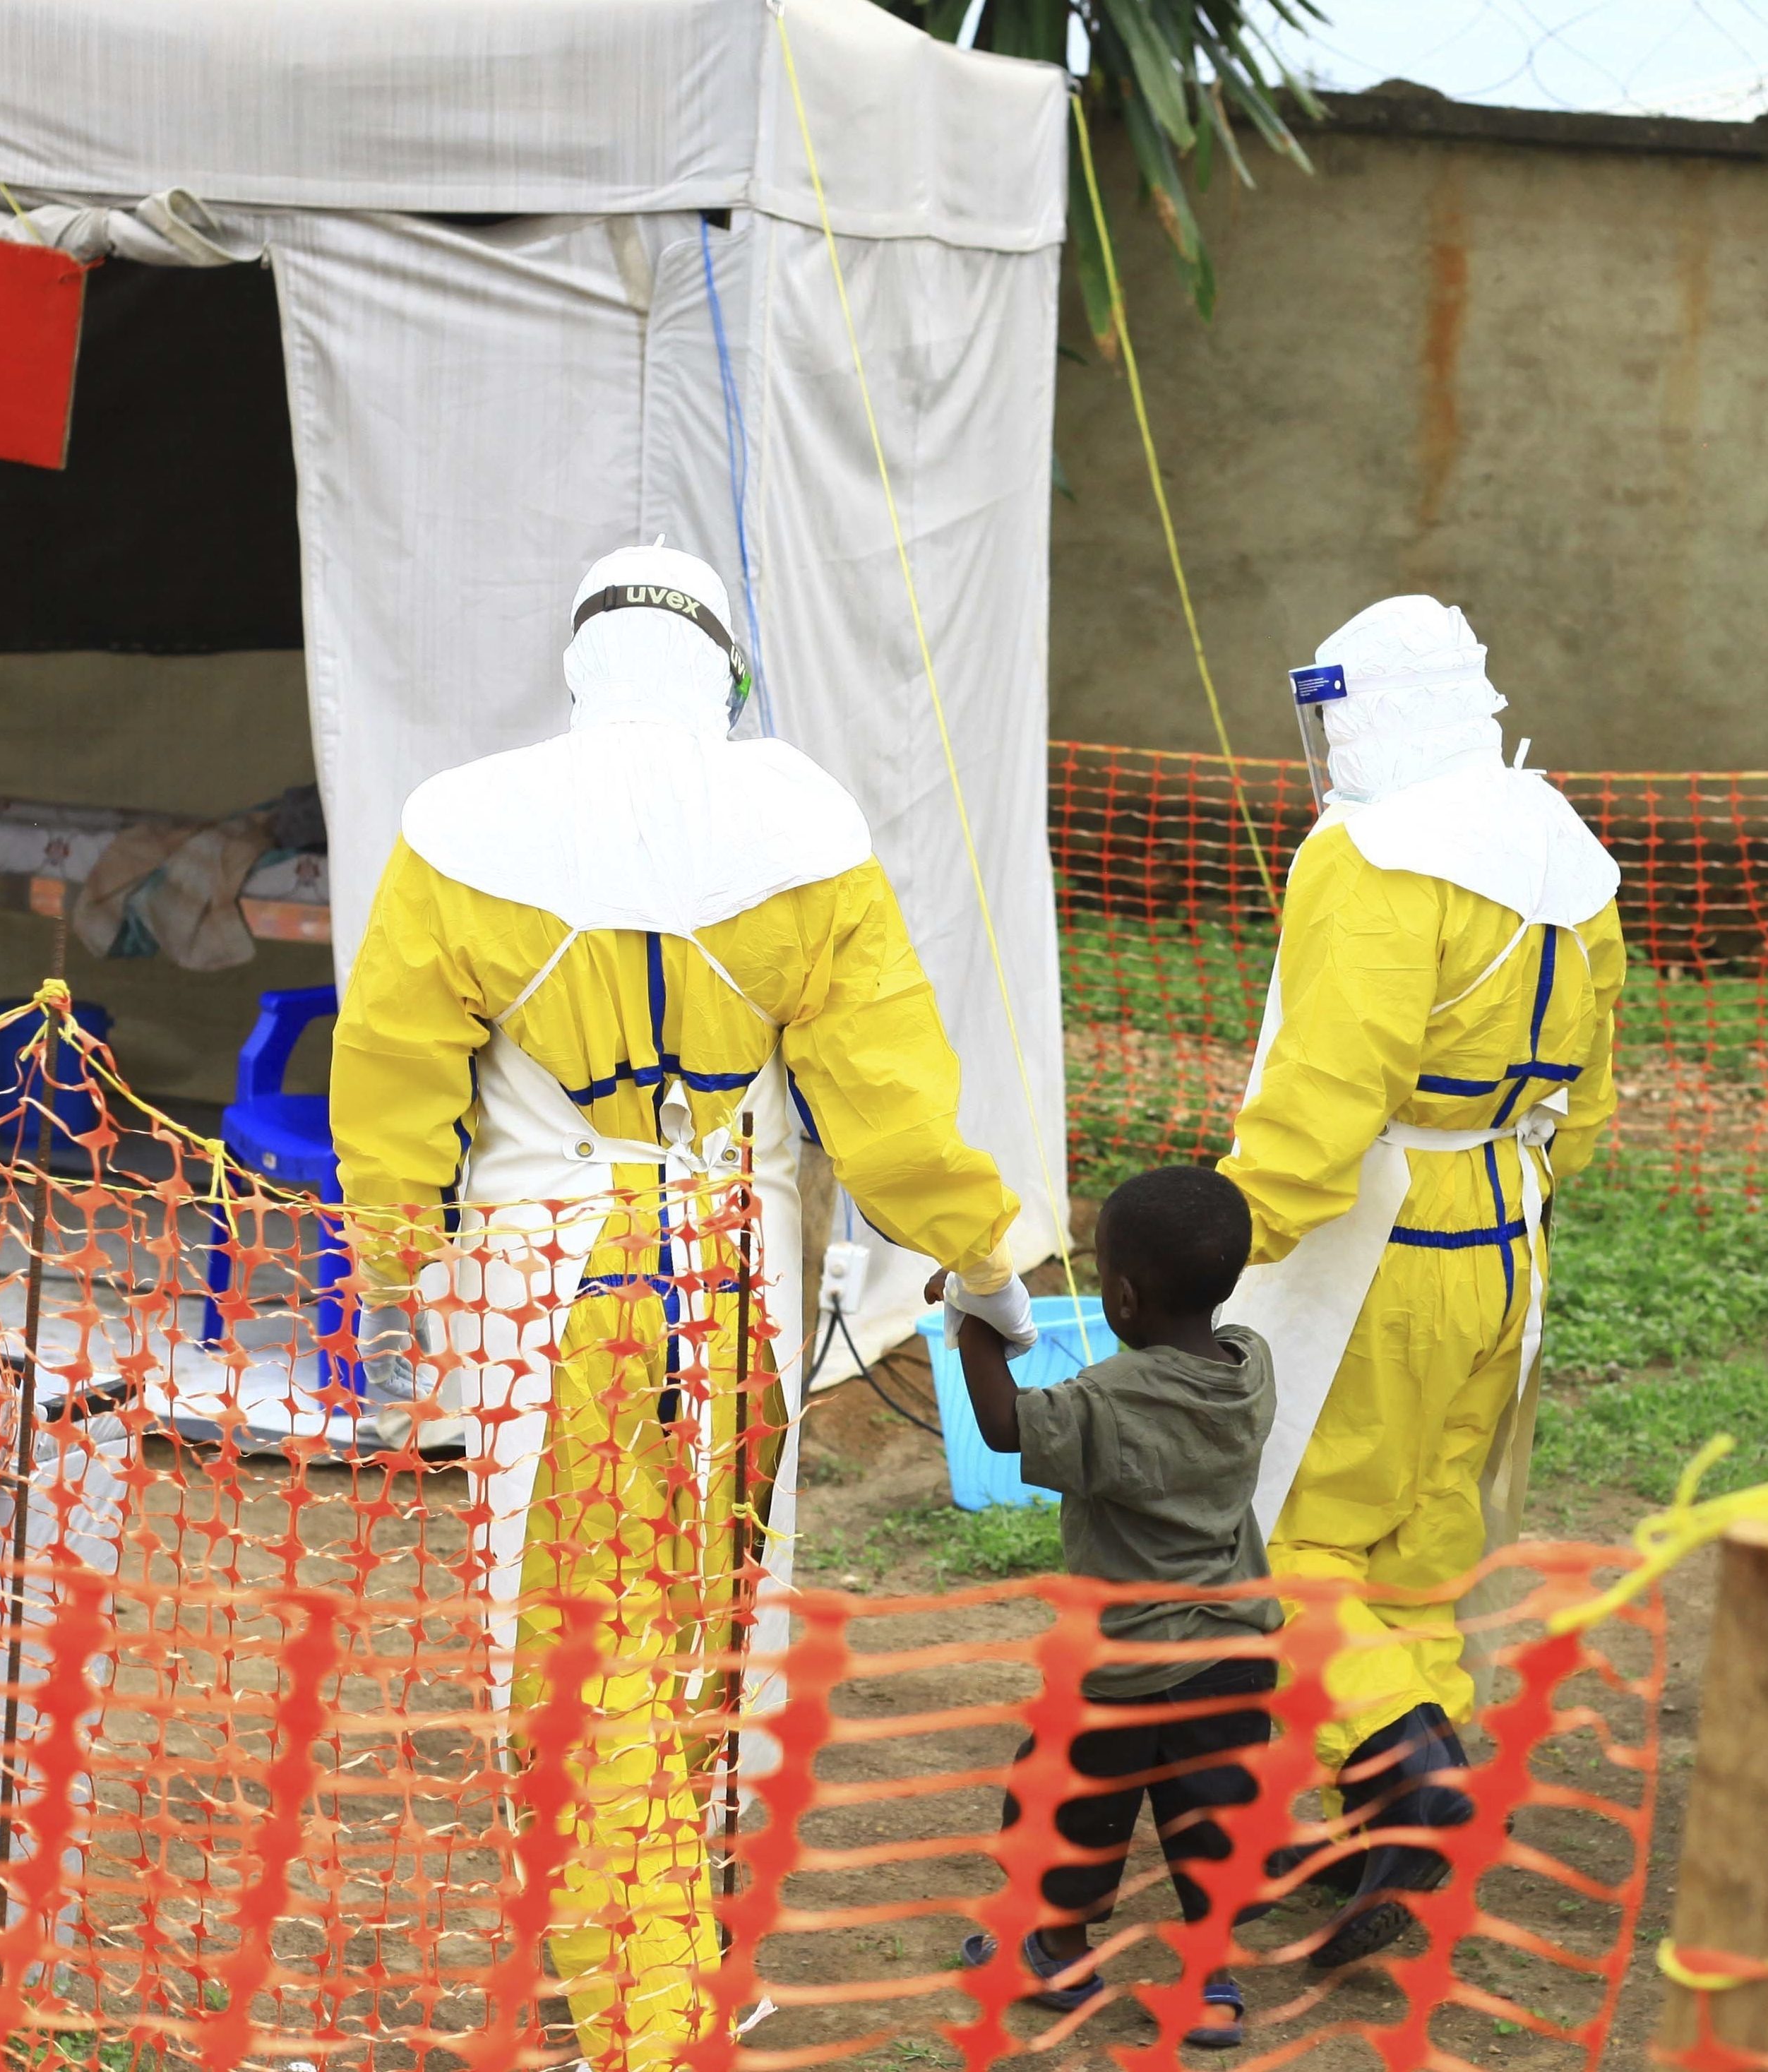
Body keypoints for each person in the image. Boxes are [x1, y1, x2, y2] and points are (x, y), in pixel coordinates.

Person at [332, 543, 1036, 2053]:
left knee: (580, 1652)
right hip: (732, 1291)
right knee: (711, 1625)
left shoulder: (462, 830)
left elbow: (391, 1099)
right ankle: (674, 1957)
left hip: (539, 1293)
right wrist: (980, 1262)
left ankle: (649, 2009)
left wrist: (400, 1268)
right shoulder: (800, 829)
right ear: (721, 666)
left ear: (580, 661)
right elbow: (893, 1111)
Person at [1216, 595, 1623, 1969]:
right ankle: (1391, 1822)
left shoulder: (1371, 858)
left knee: (1278, 1535)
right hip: (1509, 1234)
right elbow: (1596, 1098)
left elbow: (1328, 1094)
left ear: (1368, 708)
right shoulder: (1563, 850)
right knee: (1418, 1548)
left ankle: (1402, 1772)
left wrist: (1225, 1235)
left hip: (1378, 1236)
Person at [940, 1166, 1281, 2052]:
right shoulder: (1251, 1366)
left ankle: (1054, 1950)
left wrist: (977, 1331)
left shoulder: (1112, 1399)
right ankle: (1211, 1986)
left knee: (1068, 1802)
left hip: (1123, 1663)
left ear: (1122, 1296)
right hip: (1238, 1652)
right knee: (1211, 1821)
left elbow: (1008, 1427)